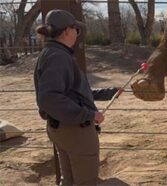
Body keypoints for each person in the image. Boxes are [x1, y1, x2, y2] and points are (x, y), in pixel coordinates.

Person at [34, 9, 121, 185]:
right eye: (76, 29)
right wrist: (89, 115)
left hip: (63, 129)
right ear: (67, 31)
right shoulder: (58, 57)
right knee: (86, 182)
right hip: (75, 130)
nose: (77, 34)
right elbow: (49, 98)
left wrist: (110, 92)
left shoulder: (53, 53)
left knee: (69, 181)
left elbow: (74, 92)